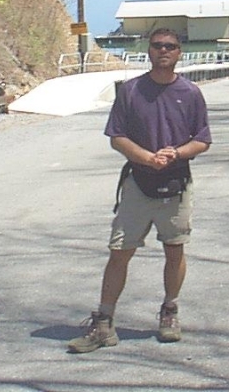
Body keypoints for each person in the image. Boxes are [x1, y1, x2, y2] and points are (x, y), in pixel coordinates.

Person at [68, 28, 212, 354]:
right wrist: (146, 157)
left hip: (176, 186)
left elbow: (202, 139)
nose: (164, 51)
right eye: (158, 46)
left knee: (174, 249)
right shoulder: (131, 91)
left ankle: (170, 311)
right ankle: (103, 323)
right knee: (119, 252)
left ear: (179, 53)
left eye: (171, 46)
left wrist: (175, 153)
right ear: (148, 50)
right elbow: (117, 136)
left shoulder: (190, 93)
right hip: (137, 184)